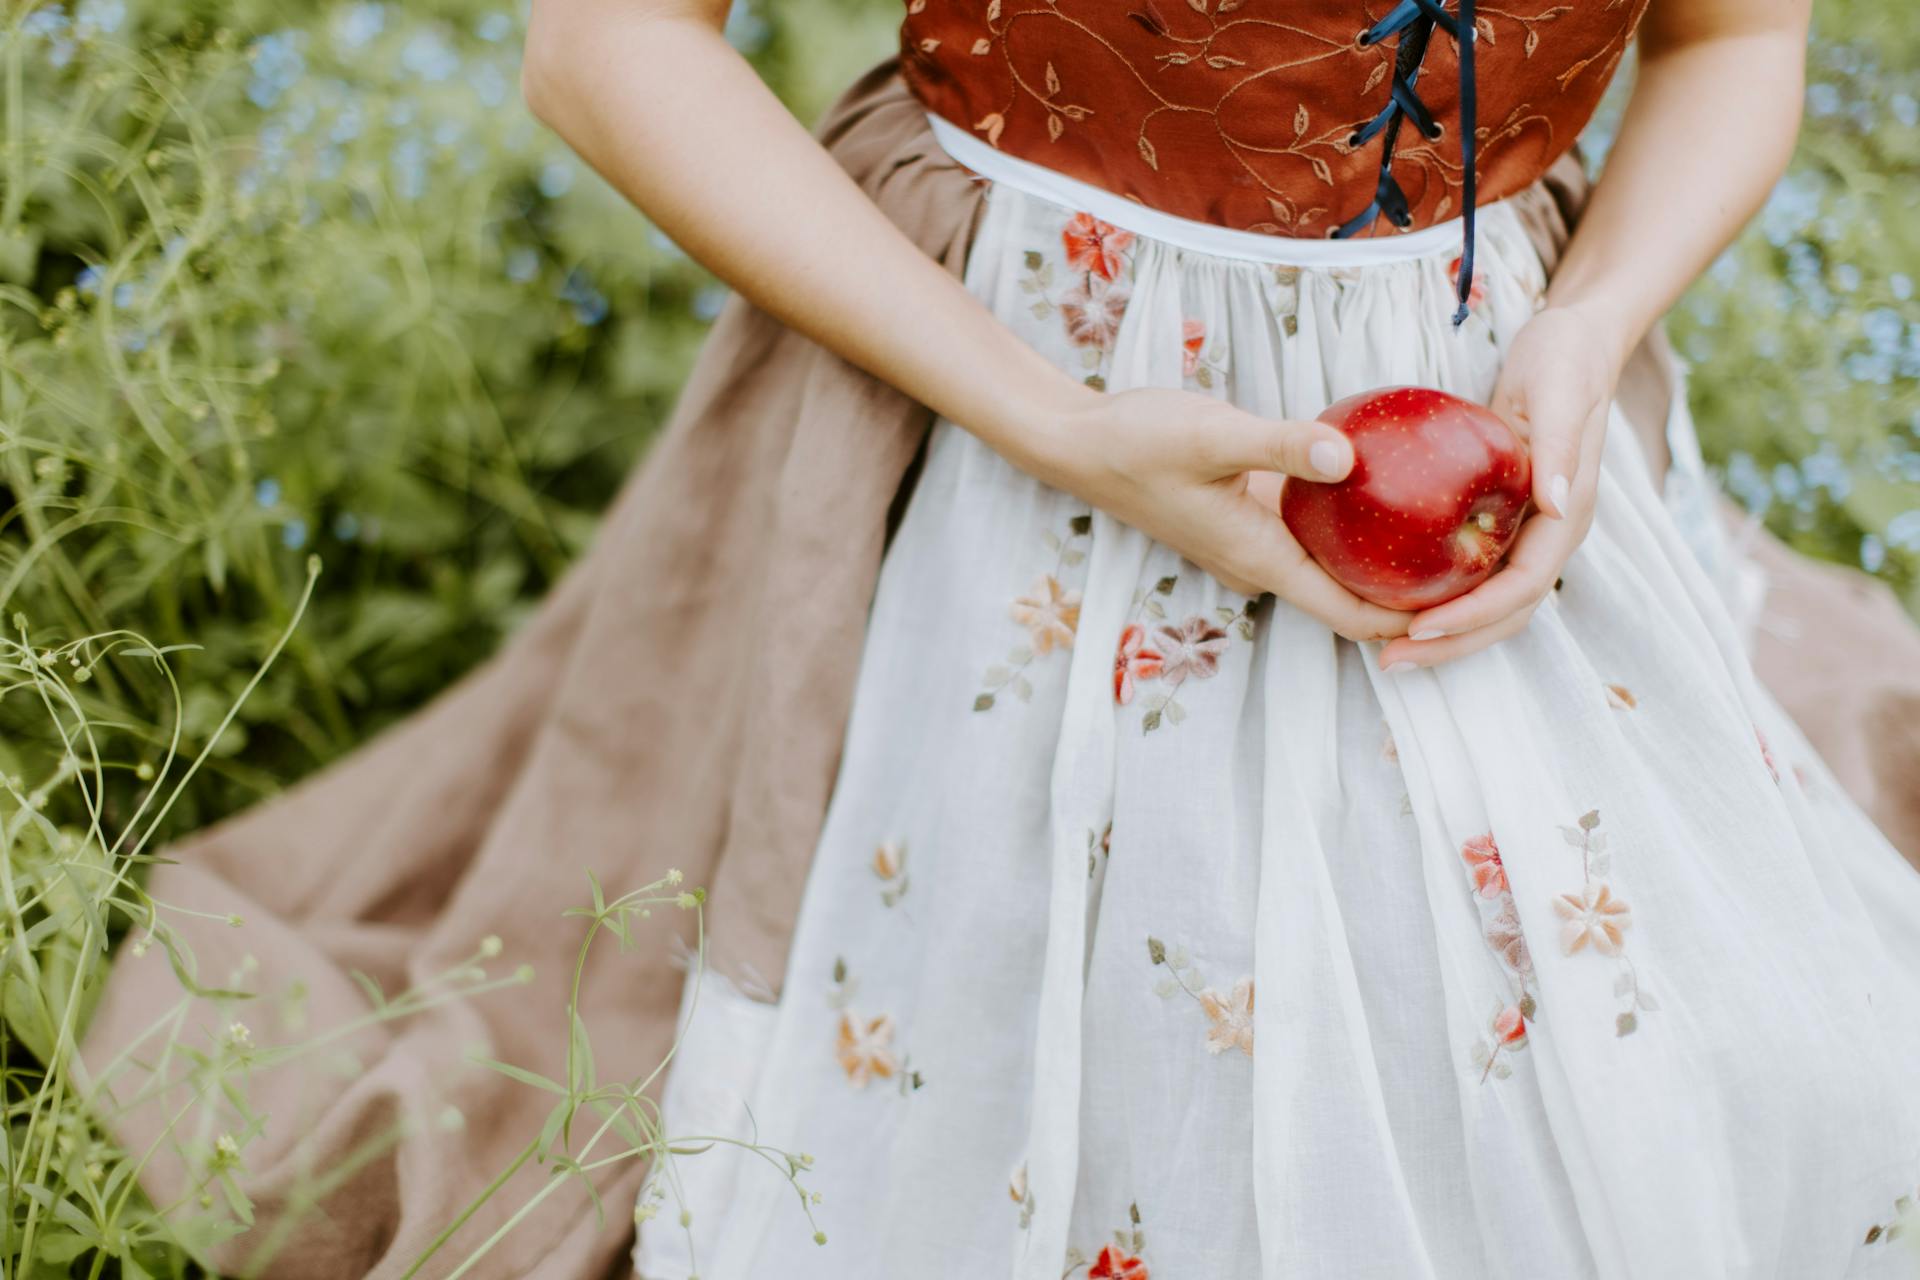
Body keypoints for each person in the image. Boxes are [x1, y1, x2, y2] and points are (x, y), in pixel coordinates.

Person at [74, 0, 1920, 1277]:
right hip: (999, 390)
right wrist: (1055, 422)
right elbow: (606, 46)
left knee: (1723, 1102)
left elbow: (1734, 37)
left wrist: (1593, 323)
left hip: (1491, 414)